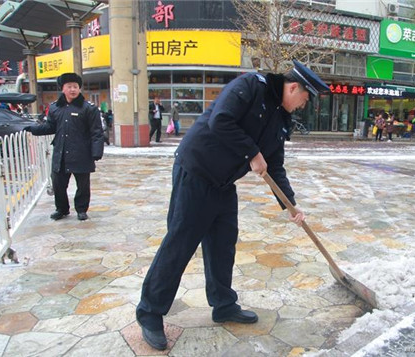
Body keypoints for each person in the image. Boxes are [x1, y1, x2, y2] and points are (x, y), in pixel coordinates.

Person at [136, 59, 329, 351]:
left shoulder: (280, 119)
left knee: (223, 244)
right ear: (292, 87)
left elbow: (274, 165)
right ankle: (150, 312)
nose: (303, 105)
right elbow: (221, 120)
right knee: (180, 242)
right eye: (304, 98)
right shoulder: (251, 86)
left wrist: (291, 205)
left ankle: (223, 304)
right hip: (196, 171)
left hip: (224, 183)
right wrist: (252, 152)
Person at [24, 72, 104, 221]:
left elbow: (97, 132)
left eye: (75, 86)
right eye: (69, 87)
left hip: (82, 153)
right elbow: (49, 127)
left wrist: (96, 152)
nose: (73, 89)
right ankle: (61, 209)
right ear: (63, 89)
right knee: (58, 184)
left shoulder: (88, 108)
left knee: (83, 186)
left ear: (79, 89)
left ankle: (81, 210)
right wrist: (32, 129)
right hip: (61, 153)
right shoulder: (55, 108)